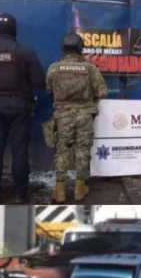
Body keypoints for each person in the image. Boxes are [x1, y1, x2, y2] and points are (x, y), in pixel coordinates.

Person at [0, 13, 46, 204]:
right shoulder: (24, 52)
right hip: (18, 107)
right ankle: (21, 194)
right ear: (14, 30)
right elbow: (39, 81)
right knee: (19, 151)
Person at [45, 33, 108, 203]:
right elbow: (102, 92)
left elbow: (49, 89)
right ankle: (79, 189)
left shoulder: (54, 68)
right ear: (81, 49)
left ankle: (59, 191)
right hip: (84, 116)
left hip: (62, 117)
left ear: (63, 48)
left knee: (62, 151)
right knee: (82, 151)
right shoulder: (90, 69)